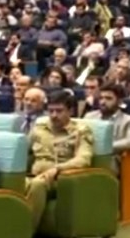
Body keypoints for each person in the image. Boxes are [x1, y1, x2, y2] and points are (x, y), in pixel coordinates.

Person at [24, 90, 95, 229]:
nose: (54, 115)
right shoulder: (39, 127)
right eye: (51, 111)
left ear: (70, 111)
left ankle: (24, 235)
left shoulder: (81, 131)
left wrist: (58, 169)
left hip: (60, 179)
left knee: (37, 185)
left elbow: (83, 159)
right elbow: (23, 150)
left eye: (59, 111)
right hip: (34, 174)